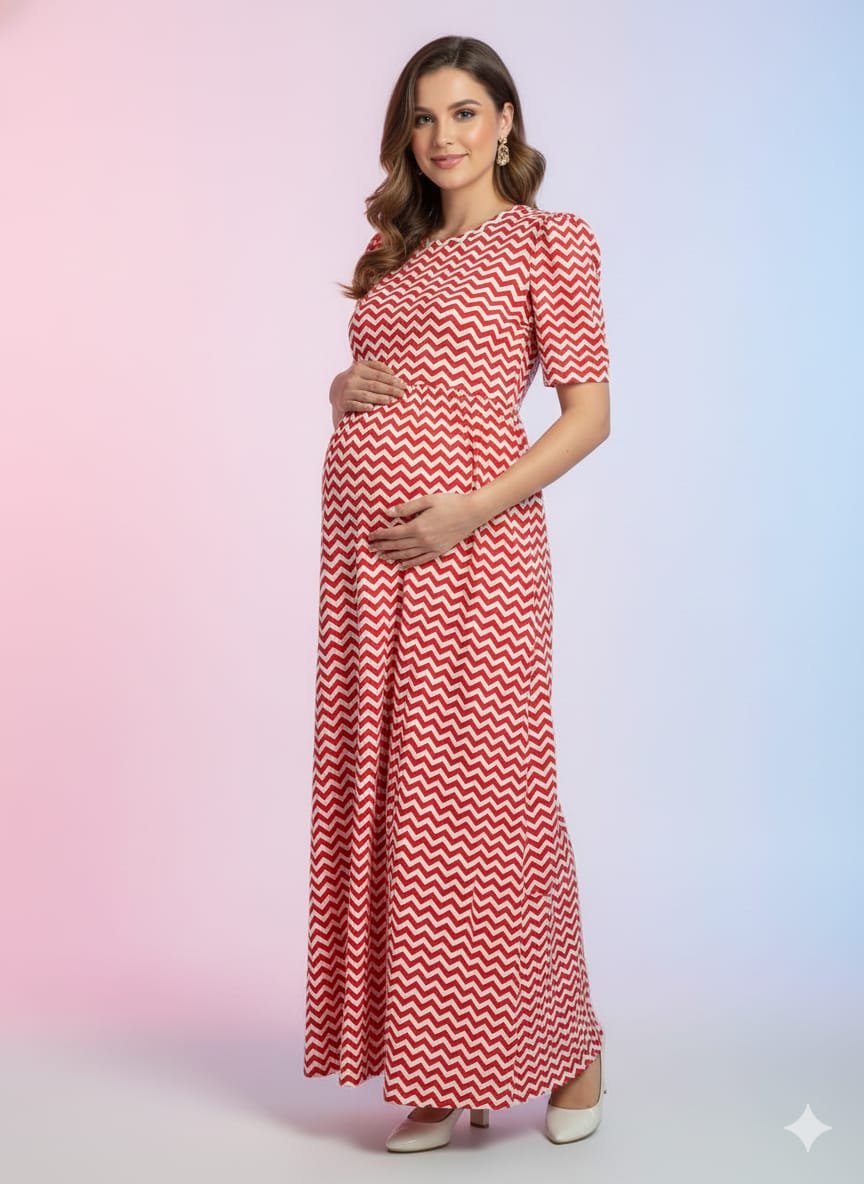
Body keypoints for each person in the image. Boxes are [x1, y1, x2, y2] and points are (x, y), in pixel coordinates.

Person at [303, 34, 611, 1153]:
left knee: (489, 798)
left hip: (477, 550)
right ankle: (442, 1064)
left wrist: (469, 508)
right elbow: (390, 379)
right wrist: (342, 388)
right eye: (424, 118)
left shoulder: (549, 241)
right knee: (401, 800)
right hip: (367, 566)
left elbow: (589, 415)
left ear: (506, 121)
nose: (443, 137)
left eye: (465, 112)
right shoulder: (391, 248)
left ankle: (572, 1050)